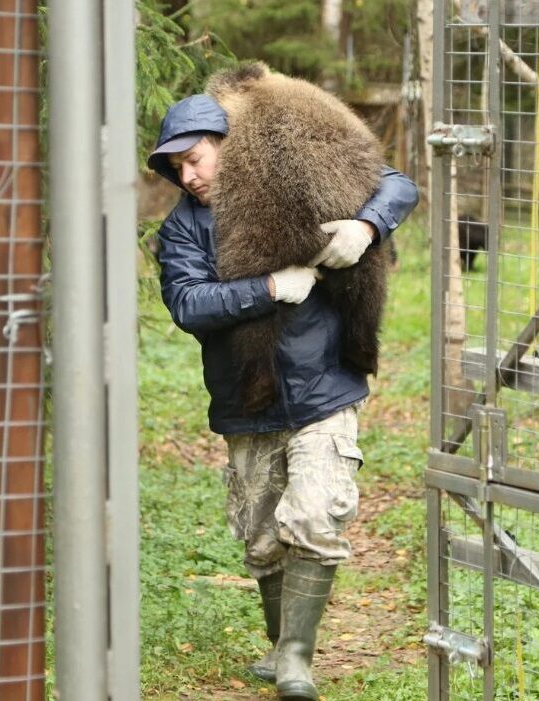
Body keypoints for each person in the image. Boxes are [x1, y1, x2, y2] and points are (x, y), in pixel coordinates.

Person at [149, 93, 418, 700]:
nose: (188, 177)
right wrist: (271, 285)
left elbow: (398, 184)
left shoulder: (291, 180)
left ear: (228, 145)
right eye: (177, 169)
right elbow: (189, 306)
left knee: (317, 512)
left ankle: (296, 662)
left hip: (325, 384)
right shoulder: (182, 231)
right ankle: (280, 647)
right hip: (246, 396)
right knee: (264, 538)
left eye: (195, 159)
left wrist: (365, 224)